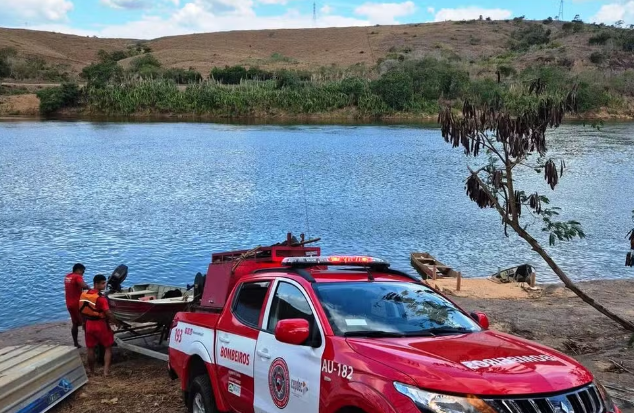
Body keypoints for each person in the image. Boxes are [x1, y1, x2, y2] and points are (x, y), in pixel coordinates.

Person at [79, 274, 117, 376]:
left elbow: (82, 312)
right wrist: (116, 322)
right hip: (100, 325)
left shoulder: (84, 295)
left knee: (90, 349)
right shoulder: (101, 298)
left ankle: (91, 371)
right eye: (103, 283)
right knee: (108, 347)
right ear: (96, 284)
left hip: (89, 325)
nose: (105, 285)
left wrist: (83, 323)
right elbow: (108, 313)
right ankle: (105, 372)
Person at [64, 263, 90, 348]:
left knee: (75, 323)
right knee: (86, 322)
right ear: (78, 270)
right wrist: (92, 290)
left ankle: (76, 343)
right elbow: (84, 285)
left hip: (69, 303)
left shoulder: (68, 276)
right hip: (77, 304)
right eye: (83, 271)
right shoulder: (77, 276)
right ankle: (89, 343)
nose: (83, 273)